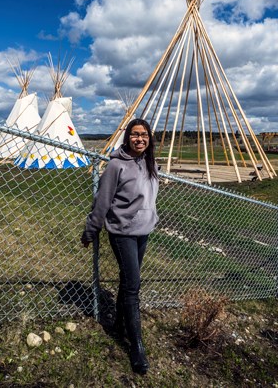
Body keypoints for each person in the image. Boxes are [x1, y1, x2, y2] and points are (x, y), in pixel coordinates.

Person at [81, 118, 159, 375]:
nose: (140, 139)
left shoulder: (149, 163)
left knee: (128, 281)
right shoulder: (115, 165)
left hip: (143, 231)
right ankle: (137, 348)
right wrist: (91, 230)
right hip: (123, 232)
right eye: (135, 135)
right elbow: (102, 202)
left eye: (144, 135)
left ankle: (117, 326)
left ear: (149, 139)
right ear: (127, 138)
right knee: (133, 287)